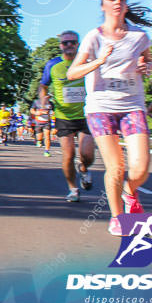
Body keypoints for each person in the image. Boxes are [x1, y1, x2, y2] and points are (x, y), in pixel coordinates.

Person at [67, 0, 152, 236]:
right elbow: (72, 73)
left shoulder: (139, 36)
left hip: (132, 105)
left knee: (140, 169)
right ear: (103, 6)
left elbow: (150, 62)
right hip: (101, 108)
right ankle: (117, 218)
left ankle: (130, 191)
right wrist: (99, 61)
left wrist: (145, 66)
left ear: (126, 5)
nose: (116, 2)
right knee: (116, 167)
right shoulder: (94, 37)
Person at [39, 30, 96, 203]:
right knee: (69, 154)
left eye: (72, 42)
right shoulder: (53, 65)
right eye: (65, 43)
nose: (69, 45)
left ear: (78, 44)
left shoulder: (87, 61)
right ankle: (73, 189)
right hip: (64, 116)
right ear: (60, 46)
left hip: (86, 114)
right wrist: (43, 100)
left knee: (87, 154)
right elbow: (43, 85)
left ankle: (84, 169)